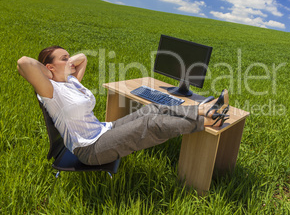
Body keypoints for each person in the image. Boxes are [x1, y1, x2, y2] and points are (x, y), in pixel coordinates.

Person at [17, 46, 229, 165]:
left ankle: (202, 108)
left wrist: (64, 66)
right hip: (90, 149)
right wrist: (52, 72)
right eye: (64, 58)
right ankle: (207, 119)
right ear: (48, 67)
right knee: (150, 123)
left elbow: (82, 59)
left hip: (103, 130)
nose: (71, 62)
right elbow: (24, 63)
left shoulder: (70, 81)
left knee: (152, 108)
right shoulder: (50, 91)